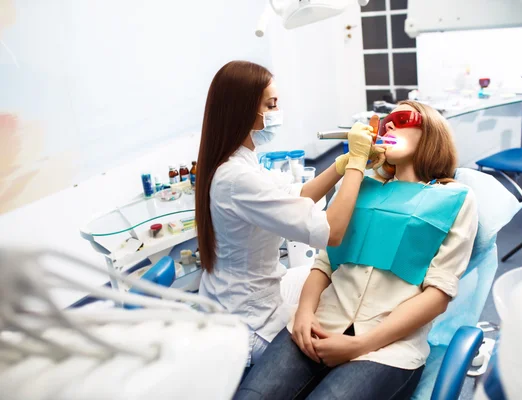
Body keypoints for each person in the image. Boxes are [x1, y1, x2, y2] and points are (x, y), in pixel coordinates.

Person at [235, 100, 479, 400]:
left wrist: (361, 345)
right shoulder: (360, 184)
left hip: (388, 350)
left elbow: (437, 295)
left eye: (401, 118)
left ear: (431, 131)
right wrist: (304, 313)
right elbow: (325, 263)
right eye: (386, 120)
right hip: (319, 324)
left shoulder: (456, 198)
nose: (388, 125)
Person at [195, 61, 385, 367]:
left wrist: (341, 164)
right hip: (248, 318)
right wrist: (357, 164)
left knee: (333, 285)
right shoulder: (234, 178)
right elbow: (331, 232)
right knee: (339, 316)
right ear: (243, 110)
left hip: (246, 289)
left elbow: (293, 198)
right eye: (271, 105)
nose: (276, 111)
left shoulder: (241, 162)